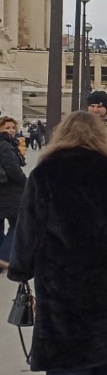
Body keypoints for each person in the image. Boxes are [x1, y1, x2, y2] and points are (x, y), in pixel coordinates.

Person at [7, 111, 107, 375]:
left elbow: (29, 228)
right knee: (103, 336)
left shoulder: (45, 174)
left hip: (61, 272)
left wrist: (21, 269)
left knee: (65, 342)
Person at [0, 116, 27, 272]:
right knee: (16, 225)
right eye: (6, 127)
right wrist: (28, 183)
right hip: (9, 192)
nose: (10, 130)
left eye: (13, 128)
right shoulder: (5, 145)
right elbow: (13, 170)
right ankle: (3, 258)